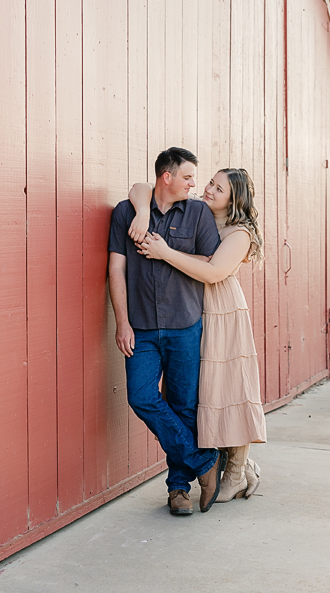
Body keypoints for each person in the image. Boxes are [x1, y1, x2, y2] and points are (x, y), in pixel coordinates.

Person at [128, 167, 266, 503]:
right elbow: (141, 187)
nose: (208, 189)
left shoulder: (239, 233)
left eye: (218, 188)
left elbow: (214, 271)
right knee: (202, 392)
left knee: (227, 387)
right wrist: (145, 212)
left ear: (234, 199)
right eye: (210, 182)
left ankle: (234, 473)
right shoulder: (196, 212)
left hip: (221, 310)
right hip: (189, 307)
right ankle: (232, 467)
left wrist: (165, 253)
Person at [107, 147, 227, 516]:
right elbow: (115, 270)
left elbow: (209, 261)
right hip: (140, 328)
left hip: (185, 325)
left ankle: (178, 490)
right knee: (141, 397)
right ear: (167, 177)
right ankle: (204, 463)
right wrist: (122, 322)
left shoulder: (198, 214)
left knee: (183, 406)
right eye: (189, 176)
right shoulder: (127, 212)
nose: (195, 184)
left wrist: (165, 253)